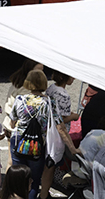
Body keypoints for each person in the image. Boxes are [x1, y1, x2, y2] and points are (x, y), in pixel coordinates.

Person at [9, 70, 62, 199]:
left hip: (18, 140)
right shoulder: (49, 102)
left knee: (18, 178)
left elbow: (12, 122)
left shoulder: (20, 99)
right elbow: (58, 124)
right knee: (34, 180)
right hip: (36, 144)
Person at [41, 70, 81, 199]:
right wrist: (74, 116)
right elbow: (61, 119)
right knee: (50, 164)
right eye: (71, 76)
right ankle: (44, 194)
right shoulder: (63, 94)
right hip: (56, 134)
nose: (73, 78)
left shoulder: (51, 87)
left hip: (48, 129)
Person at [3, 60, 45, 165]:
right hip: (24, 130)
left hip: (9, 125)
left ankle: (9, 181)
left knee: (11, 161)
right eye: (38, 70)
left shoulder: (17, 81)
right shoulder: (26, 91)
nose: (41, 74)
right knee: (24, 164)